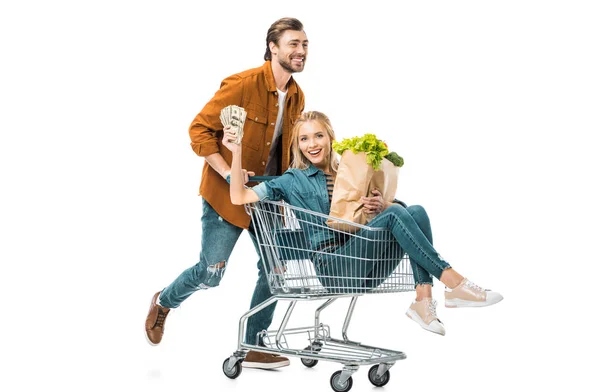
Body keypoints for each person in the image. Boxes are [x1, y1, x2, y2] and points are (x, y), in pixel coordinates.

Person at [223, 111, 503, 337]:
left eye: (318, 135)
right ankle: (454, 282)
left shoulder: (351, 172)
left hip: (364, 260)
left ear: (330, 137)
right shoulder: (292, 179)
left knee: (414, 211)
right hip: (334, 265)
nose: (312, 144)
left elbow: (376, 220)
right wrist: (235, 152)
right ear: (298, 145)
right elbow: (240, 196)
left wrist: (380, 206)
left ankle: (423, 299)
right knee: (397, 214)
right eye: (305, 139)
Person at [145, 17, 309, 369]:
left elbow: (290, 149)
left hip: (265, 198)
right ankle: (163, 302)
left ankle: (253, 343)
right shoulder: (243, 84)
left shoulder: (296, 95)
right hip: (225, 196)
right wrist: (227, 171)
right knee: (210, 273)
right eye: (294, 44)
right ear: (273, 47)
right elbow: (199, 130)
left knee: (275, 271)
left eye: (305, 44)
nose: (301, 51)